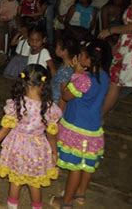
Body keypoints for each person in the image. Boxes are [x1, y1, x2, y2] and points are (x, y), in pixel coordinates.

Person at [0, 64, 62, 209]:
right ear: (44, 84)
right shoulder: (49, 108)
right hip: (37, 152)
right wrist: (54, 152)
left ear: (23, 83)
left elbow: (3, 132)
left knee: (15, 181)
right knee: (35, 184)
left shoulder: (16, 105)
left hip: (17, 149)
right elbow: (52, 133)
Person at [51, 40, 110, 208]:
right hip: (93, 128)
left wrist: (75, 74)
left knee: (75, 167)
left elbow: (66, 96)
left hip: (77, 128)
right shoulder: (104, 77)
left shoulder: (84, 79)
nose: (79, 57)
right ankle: (80, 194)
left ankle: (67, 202)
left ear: (89, 59)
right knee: (87, 164)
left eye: (82, 55)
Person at [98, 0, 132, 113]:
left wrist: (110, 30)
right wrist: (119, 44)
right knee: (116, 81)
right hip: (128, 46)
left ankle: (98, 116)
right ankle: (99, 115)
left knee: (116, 82)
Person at [52, 35, 80, 106]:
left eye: (57, 46)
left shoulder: (66, 71)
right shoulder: (67, 66)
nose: (55, 48)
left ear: (64, 51)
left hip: (56, 104)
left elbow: (63, 95)